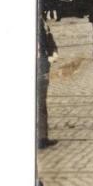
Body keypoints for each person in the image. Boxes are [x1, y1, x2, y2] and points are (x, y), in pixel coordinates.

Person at [37, 11, 58, 150]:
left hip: (43, 63)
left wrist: (53, 52)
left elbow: (49, 36)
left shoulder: (41, 19)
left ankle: (42, 137)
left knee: (41, 101)